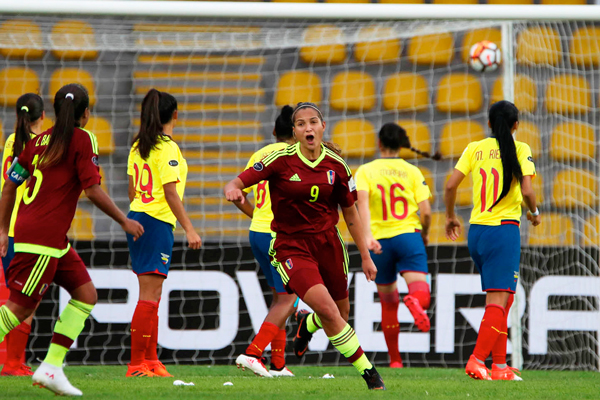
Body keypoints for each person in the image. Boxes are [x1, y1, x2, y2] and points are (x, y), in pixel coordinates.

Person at [224, 102, 386, 390]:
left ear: (322, 127)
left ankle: (307, 325)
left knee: (339, 313)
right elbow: (240, 179)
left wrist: (366, 256)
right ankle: (370, 375)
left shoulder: (337, 166)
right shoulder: (280, 159)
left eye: (313, 122)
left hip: (328, 244)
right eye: (301, 124)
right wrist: (233, 188)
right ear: (294, 131)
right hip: (291, 246)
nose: (308, 127)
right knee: (328, 309)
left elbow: (350, 214)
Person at [0, 83, 144, 396]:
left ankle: (51, 368)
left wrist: (2, 230)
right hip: (41, 239)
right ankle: (50, 367)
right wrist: (124, 220)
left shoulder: (39, 141)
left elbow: (10, 185)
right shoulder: (83, 138)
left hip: (47, 237)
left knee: (86, 294)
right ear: (86, 113)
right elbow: (92, 189)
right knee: (19, 309)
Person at [444, 100, 540, 381]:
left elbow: (450, 185)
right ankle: (476, 360)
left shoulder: (474, 148)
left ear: (489, 124)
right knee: (499, 302)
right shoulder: (520, 149)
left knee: (504, 300)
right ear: (516, 126)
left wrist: (450, 216)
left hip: (477, 232)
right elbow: (528, 190)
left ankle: (499, 366)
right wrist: (534, 213)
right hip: (503, 231)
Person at [126, 88, 201, 378]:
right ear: (175, 115)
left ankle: (151, 360)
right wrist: (190, 228)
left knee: (153, 294)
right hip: (156, 222)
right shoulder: (168, 147)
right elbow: (170, 192)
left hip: (139, 216)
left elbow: (133, 190)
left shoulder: (138, 146)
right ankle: (136, 365)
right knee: (149, 295)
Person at [355, 122, 440, 368]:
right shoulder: (413, 172)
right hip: (407, 237)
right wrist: (423, 234)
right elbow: (425, 211)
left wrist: (367, 236)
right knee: (420, 291)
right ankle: (413, 301)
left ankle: (395, 361)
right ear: (401, 145)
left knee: (388, 303)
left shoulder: (365, 171)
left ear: (379, 143)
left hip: (379, 242)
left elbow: (360, 206)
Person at [233, 105, 298, 378]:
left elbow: (238, 194)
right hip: (278, 235)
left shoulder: (260, 154)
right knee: (289, 298)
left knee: (279, 298)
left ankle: (279, 364)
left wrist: (256, 215)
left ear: (274, 131)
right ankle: (253, 353)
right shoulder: (294, 156)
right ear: (296, 132)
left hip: (258, 233)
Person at [0, 93, 45, 376]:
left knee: (23, 299)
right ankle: (13, 362)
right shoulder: (40, 146)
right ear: (42, 117)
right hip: (28, 230)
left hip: (10, 228)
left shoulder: (10, 142)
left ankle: (15, 361)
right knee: (25, 301)